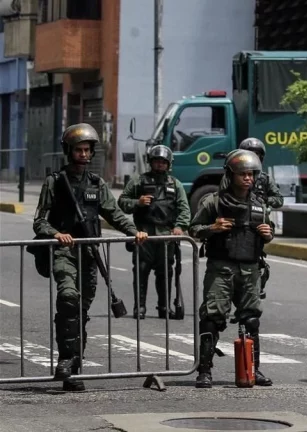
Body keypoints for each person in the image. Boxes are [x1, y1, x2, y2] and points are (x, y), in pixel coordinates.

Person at [33, 123, 148, 391]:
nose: (84, 155)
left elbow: (114, 214)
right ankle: (64, 359)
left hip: (89, 253)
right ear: (68, 151)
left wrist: (134, 231)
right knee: (69, 299)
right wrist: (56, 233)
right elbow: (39, 222)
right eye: (79, 150)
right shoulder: (55, 182)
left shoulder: (97, 184)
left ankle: (73, 369)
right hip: (64, 251)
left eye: (87, 150)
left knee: (80, 312)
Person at [189, 149, 274, 388]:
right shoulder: (214, 202)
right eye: (243, 174)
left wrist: (269, 234)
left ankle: (253, 369)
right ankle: (204, 371)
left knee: (251, 321)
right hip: (221, 268)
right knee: (211, 319)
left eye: (251, 174)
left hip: (250, 270)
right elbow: (194, 229)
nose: (248, 178)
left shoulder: (260, 205)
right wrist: (213, 228)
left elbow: (270, 231)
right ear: (231, 175)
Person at [119, 145, 190, 319]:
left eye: (163, 162)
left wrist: (179, 226)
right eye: (157, 161)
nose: (160, 165)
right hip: (145, 235)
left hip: (166, 236)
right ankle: (140, 307)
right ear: (151, 162)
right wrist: (138, 202)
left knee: (165, 273)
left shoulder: (176, 184)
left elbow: (184, 209)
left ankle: (164, 308)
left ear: (168, 164)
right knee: (141, 270)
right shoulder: (139, 181)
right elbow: (122, 201)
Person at [237, 137, 283, 299]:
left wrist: (264, 201)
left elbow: (278, 199)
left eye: (257, 154)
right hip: (238, 221)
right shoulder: (233, 175)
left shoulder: (265, 179)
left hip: (258, 223)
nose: (253, 157)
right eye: (250, 154)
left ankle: (254, 289)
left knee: (256, 259)